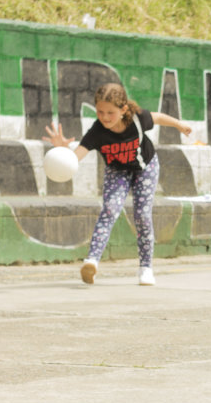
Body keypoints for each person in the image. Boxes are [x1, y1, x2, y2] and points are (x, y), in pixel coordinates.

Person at [42, 82, 191, 286]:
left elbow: (158, 117)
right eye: (100, 112)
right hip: (117, 171)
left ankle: (146, 268)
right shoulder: (97, 132)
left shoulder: (138, 119)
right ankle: (92, 261)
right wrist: (64, 152)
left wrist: (179, 125)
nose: (104, 117)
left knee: (142, 215)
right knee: (110, 210)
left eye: (110, 113)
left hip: (145, 167)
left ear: (123, 110)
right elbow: (77, 157)